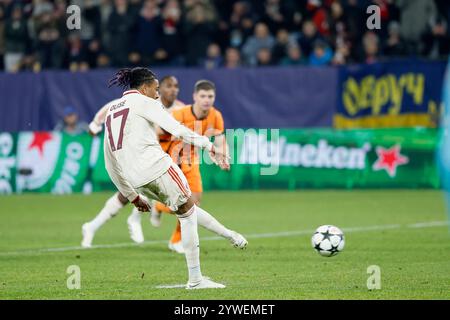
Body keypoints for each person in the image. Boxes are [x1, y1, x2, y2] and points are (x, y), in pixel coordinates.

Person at [104, 67, 246, 289]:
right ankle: (196, 280)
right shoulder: (145, 102)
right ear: (144, 87)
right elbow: (177, 129)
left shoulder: (112, 110)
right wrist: (209, 146)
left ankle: (230, 235)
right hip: (158, 167)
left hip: (135, 179)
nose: (158, 94)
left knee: (187, 208)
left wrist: (132, 196)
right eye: (156, 89)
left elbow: (109, 161)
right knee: (188, 214)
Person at [81, 75, 185, 247]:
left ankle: (95, 226)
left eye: (176, 86)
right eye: (168, 86)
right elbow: (113, 106)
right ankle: (132, 220)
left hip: (162, 157)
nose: (172, 89)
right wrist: (96, 122)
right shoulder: (145, 103)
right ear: (159, 89)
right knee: (135, 191)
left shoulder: (181, 108)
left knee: (136, 192)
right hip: (138, 154)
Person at [151, 79, 230, 254]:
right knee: (178, 204)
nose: (206, 100)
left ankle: (175, 240)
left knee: (194, 203)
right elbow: (158, 132)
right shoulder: (180, 114)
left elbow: (220, 139)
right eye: (203, 96)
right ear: (195, 97)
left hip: (190, 161)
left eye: (210, 96)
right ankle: (158, 207)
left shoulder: (215, 115)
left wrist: (223, 156)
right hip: (171, 161)